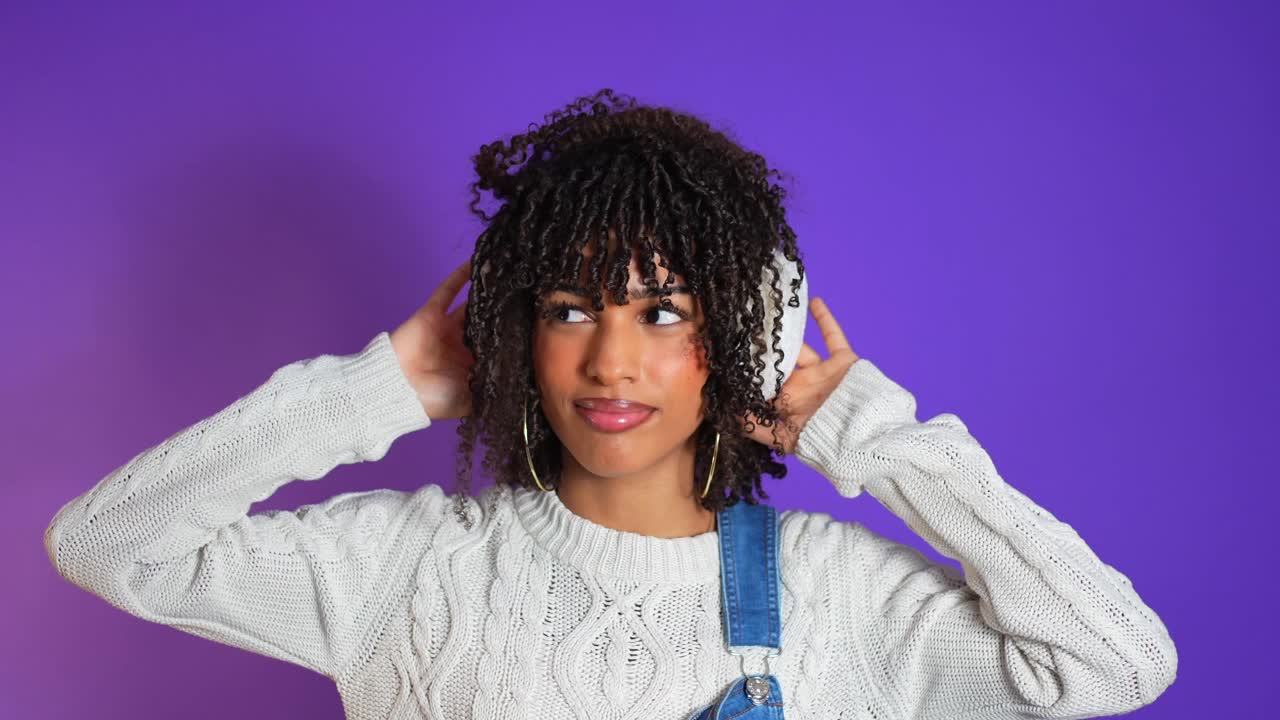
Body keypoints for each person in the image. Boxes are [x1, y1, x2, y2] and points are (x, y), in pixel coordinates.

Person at [45, 88, 1177, 719]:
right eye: (572, 309)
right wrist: (373, 392)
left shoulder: (838, 596)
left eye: (666, 313)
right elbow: (109, 546)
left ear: (745, 338)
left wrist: (876, 443)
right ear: (513, 336)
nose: (612, 365)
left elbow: (1111, 664)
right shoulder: (400, 571)